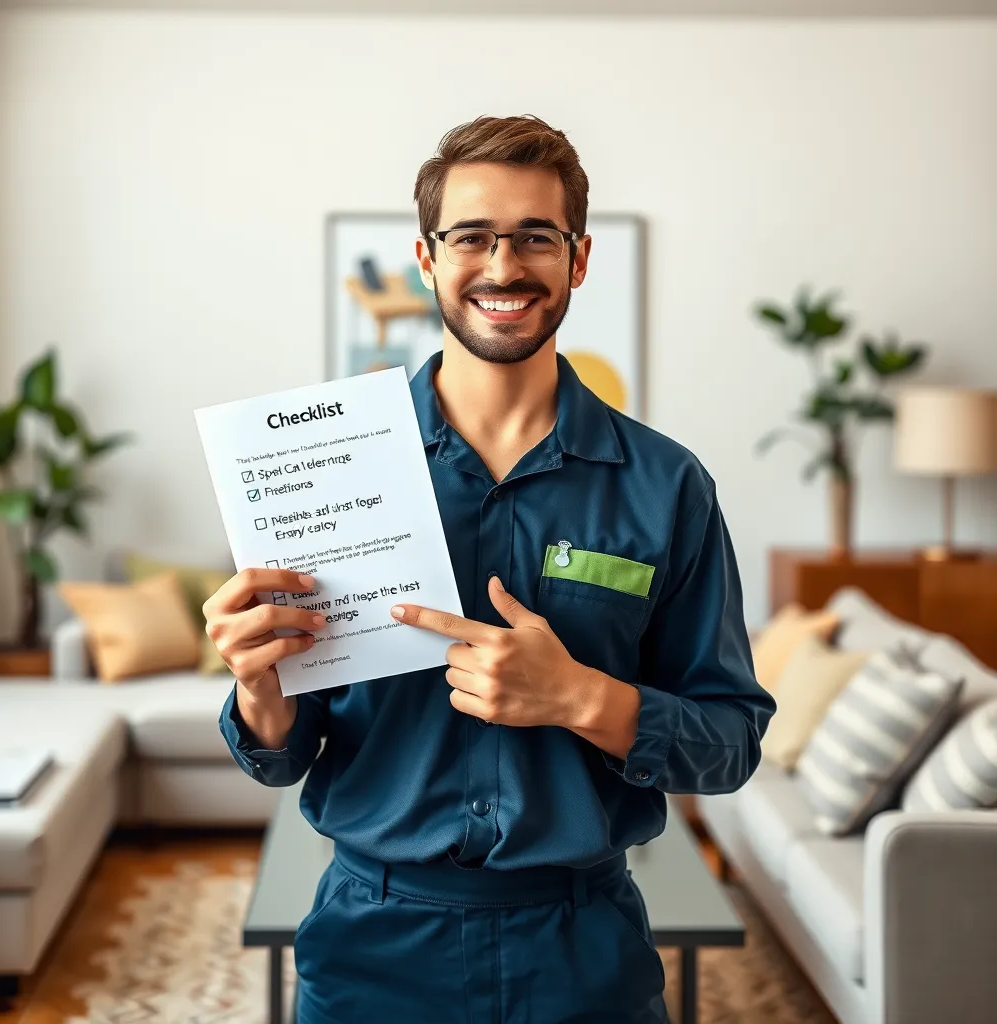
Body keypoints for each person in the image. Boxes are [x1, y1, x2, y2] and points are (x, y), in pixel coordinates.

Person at [205, 114, 776, 1024]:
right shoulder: (327, 465)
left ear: (578, 259)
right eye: (472, 236)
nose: (504, 267)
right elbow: (284, 755)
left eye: (535, 238)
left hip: (584, 954)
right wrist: (258, 681)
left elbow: (732, 743)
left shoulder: (668, 487)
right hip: (370, 949)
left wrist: (581, 697)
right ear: (428, 259)